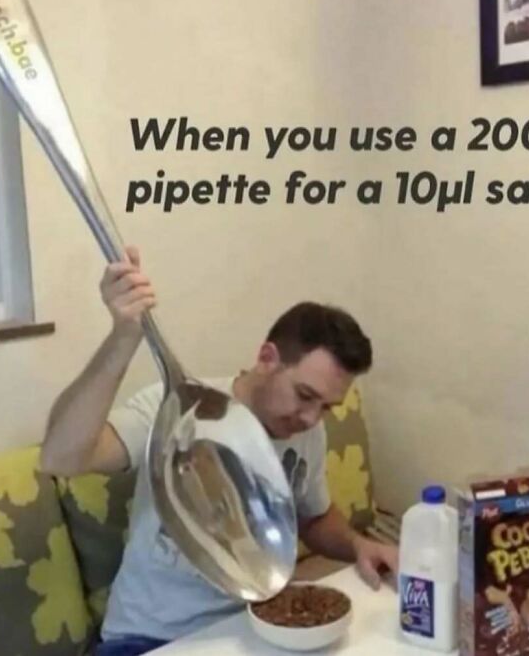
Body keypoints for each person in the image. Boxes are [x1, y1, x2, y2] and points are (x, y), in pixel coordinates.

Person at [40, 246, 398, 656]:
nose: (312, 418)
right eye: (304, 395)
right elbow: (60, 458)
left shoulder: (305, 431)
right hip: (148, 638)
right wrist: (123, 338)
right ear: (267, 358)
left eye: (327, 407)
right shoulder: (177, 409)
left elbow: (313, 516)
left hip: (252, 630)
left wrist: (359, 546)